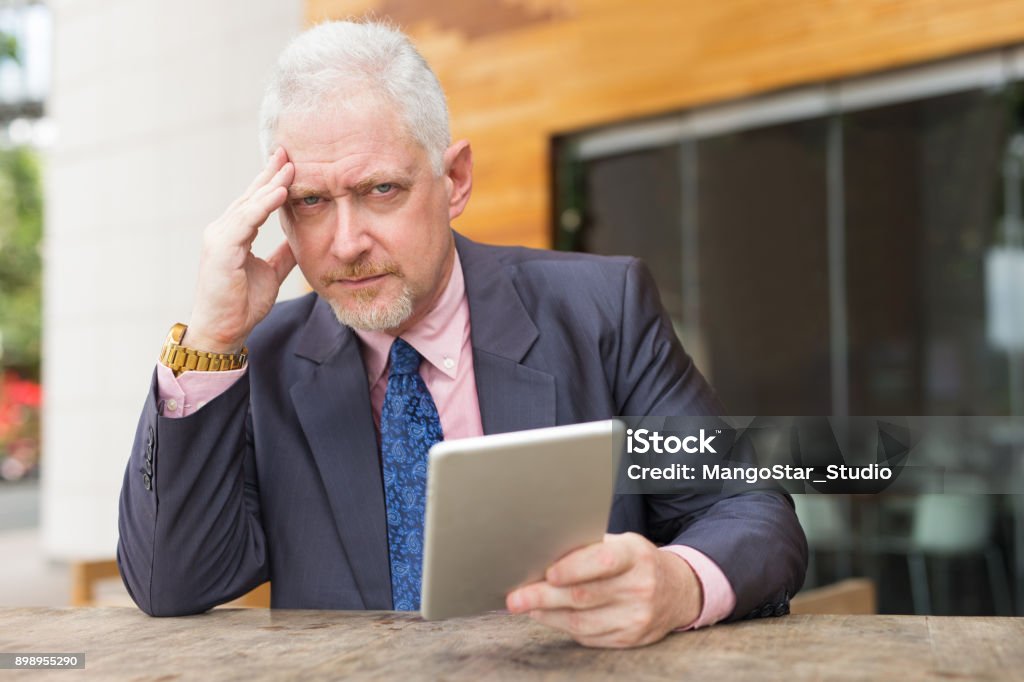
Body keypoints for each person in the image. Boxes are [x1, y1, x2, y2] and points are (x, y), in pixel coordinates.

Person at [117, 20, 806, 648]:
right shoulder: (256, 358)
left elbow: (752, 510)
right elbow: (168, 582)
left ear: (456, 179)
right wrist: (211, 336)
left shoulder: (600, 310)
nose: (346, 242)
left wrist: (677, 584)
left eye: (382, 190)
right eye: (311, 203)